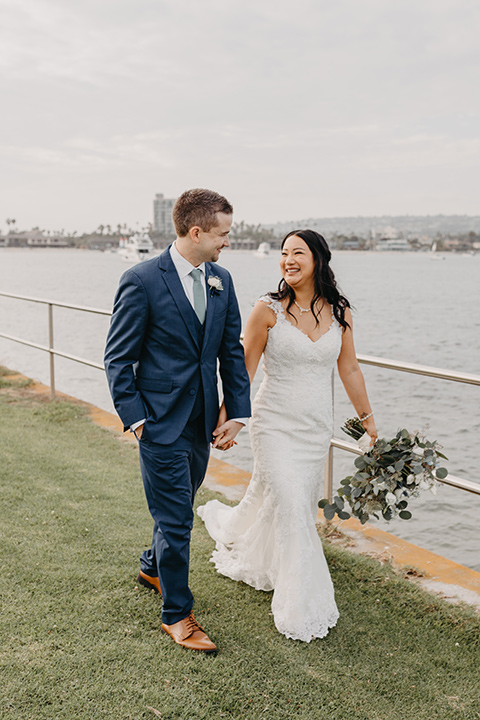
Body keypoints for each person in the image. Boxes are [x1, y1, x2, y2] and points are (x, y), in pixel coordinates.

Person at [198, 229, 377, 642]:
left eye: (297, 252)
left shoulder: (340, 312)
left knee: (290, 501)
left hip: (315, 427)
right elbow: (243, 368)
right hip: (274, 421)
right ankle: (300, 606)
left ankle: (268, 557)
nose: (288, 260)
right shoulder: (267, 309)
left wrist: (368, 419)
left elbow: (349, 369)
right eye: (283, 253)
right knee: (294, 503)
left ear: (317, 259)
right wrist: (230, 417)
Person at [104, 188, 251, 654]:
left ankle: (152, 566)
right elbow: (117, 359)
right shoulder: (142, 279)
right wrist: (136, 420)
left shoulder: (222, 280)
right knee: (176, 519)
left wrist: (237, 412)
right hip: (159, 423)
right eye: (223, 233)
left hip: (202, 421)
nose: (227, 241)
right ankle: (177, 615)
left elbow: (231, 351)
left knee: (179, 505)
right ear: (196, 231)